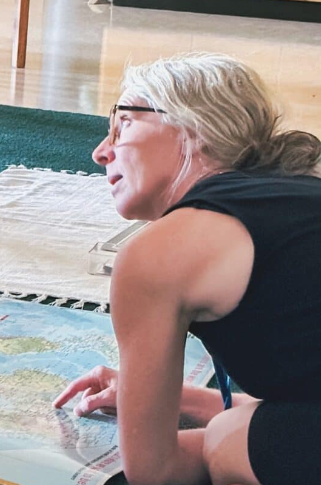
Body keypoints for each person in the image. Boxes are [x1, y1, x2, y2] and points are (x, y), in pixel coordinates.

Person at [53, 53, 321, 485]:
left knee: (228, 439)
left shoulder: (157, 255)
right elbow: (304, 398)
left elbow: (156, 474)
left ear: (194, 130)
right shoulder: (302, 193)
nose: (101, 152)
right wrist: (163, 398)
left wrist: (210, 438)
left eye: (123, 125)